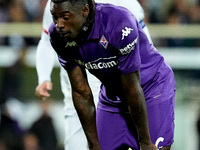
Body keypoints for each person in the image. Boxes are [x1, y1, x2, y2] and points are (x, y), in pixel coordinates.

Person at [48, 0, 176, 150]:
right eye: (55, 17)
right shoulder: (57, 36)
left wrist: (145, 142)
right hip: (113, 95)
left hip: (151, 88)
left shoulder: (119, 23)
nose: (59, 24)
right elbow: (81, 92)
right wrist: (94, 145)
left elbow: (132, 89)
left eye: (65, 17)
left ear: (84, 10)